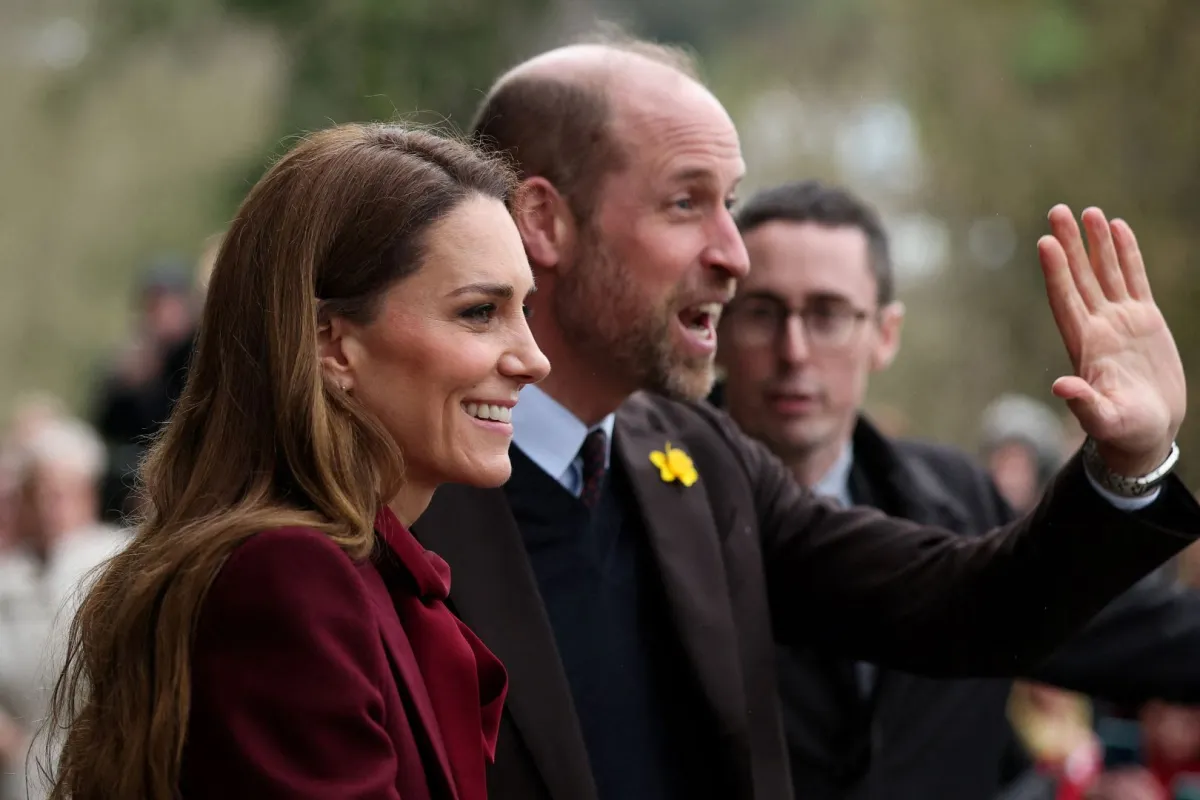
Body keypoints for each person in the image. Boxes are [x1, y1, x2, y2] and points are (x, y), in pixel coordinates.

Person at [414, 35, 1200, 800]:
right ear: (544, 223)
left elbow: (966, 608)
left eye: (731, 203)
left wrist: (1127, 466)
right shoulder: (383, 489)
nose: (734, 255)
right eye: (686, 202)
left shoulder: (703, 460)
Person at [41, 123, 550, 800]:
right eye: (481, 312)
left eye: (526, 309)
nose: (532, 359)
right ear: (332, 346)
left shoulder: (351, 568)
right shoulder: (288, 579)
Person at [712, 178, 1200, 799]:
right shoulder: (650, 505)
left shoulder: (957, 498)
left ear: (885, 335)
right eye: (762, 312)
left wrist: (1132, 462)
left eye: (828, 314)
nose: (795, 350)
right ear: (718, 324)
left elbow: (1127, 630)